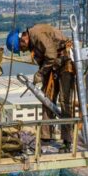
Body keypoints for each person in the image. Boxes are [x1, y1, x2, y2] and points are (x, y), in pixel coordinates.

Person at [7, 24, 76, 152]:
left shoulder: (36, 35)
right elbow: (49, 59)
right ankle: (46, 137)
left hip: (65, 63)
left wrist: (40, 73)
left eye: (21, 48)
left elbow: (51, 56)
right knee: (46, 98)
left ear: (23, 40)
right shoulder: (33, 41)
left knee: (64, 101)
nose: (23, 51)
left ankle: (68, 140)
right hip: (55, 65)